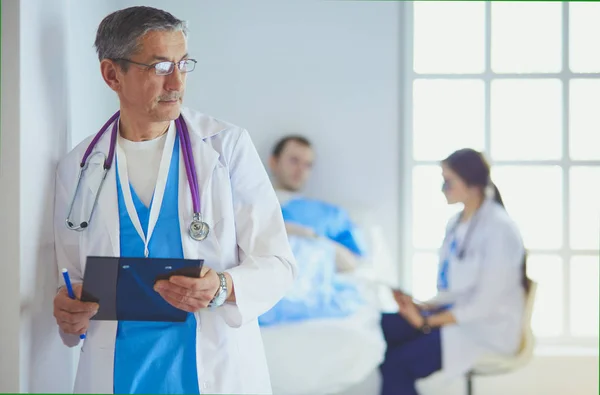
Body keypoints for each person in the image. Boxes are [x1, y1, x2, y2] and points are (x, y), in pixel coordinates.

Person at [52, 6, 296, 395]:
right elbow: (72, 282)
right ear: (112, 74)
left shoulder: (225, 148)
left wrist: (223, 285)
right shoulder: (78, 168)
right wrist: (68, 312)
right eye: (161, 67)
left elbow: (278, 263)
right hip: (118, 375)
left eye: (184, 64)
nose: (177, 82)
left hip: (210, 370)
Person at [379, 148, 528, 395]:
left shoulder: (499, 229)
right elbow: (454, 289)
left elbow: (484, 305)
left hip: (485, 330)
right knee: (385, 326)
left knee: (397, 364)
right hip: (459, 317)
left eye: (448, 181)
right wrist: (422, 306)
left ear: (472, 185)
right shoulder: (456, 224)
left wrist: (426, 322)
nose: (442, 188)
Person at [268, 135, 368, 271]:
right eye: (294, 160)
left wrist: (309, 236)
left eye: (308, 165)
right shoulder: (252, 204)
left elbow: (352, 264)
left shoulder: (329, 214)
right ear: (273, 162)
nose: (300, 170)